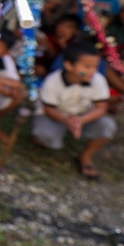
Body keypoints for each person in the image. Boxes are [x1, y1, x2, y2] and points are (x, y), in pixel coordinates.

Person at [32, 42, 116, 180]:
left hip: (83, 117)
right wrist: (66, 121)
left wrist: (80, 120)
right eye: (87, 67)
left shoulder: (98, 80)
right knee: (45, 135)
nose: (92, 71)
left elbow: (101, 107)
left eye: (95, 67)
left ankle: (86, 157)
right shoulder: (53, 81)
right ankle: (43, 141)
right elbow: (48, 109)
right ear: (69, 65)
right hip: (57, 116)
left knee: (107, 126)